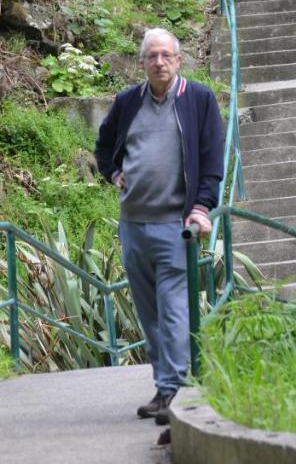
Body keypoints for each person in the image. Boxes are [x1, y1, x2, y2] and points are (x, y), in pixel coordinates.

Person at [94, 28, 223, 426]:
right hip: (133, 226)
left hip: (174, 226)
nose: (159, 62)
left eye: (166, 55)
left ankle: (178, 394)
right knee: (149, 315)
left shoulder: (198, 100)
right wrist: (114, 173)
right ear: (143, 61)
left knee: (173, 313)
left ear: (179, 61)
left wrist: (202, 207)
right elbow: (103, 146)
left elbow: (212, 161)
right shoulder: (127, 102)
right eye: (152, 56)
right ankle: (165, 387)